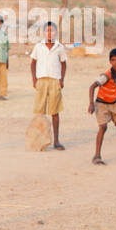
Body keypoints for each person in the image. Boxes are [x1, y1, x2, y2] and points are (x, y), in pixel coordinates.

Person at [30, 21, 68, 150]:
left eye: (52, 31)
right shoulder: (38, 46)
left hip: (54, 81)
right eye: (47, 31)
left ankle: (56, 141)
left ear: (56, 33)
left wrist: (61, 79)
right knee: (40, 112)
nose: (50, 33)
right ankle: (40, 140)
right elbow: (33, 63)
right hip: (41, 81)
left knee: (55, 112)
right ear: (44, 32)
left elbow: (63, 64)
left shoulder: (59, 47)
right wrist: (34, 79)